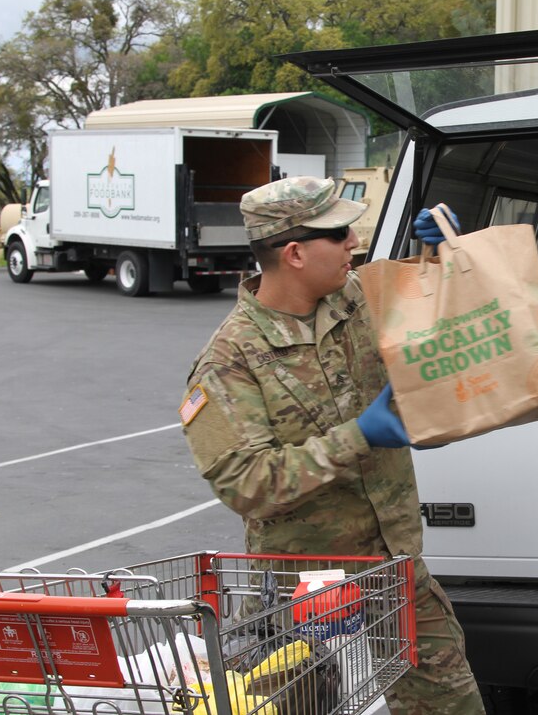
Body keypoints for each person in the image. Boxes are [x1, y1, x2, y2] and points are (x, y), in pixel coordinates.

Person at [179, 176, 485, 715]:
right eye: (339, 232)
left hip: (394, 569)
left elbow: (425, 316)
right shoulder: (229, 361)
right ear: (294, 252)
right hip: (303, 594)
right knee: (298, 707)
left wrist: (432, 254)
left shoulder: (356, 298)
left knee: (449, 704)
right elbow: (247, 483)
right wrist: (358, 438)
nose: (354, 242)